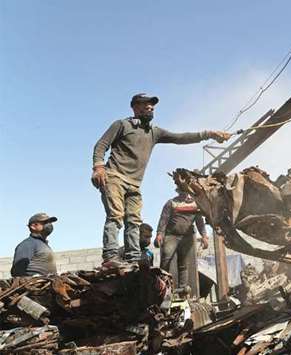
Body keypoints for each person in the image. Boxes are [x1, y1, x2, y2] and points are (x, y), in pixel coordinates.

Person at [92, 93, 231, 266]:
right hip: (114, 177)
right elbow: (101, 145)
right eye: (145, 104)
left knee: (134, 221)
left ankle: (133, 258)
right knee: (115, 216)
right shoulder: (122, 125)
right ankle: (111, 256)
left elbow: (181, 138)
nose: (150, 107)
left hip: (134, 184)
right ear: (135, 107)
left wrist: (208, 134)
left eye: (152, 105)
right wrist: (98, 167)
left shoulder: (154, 132)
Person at [156, 188, 209, 289]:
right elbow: (164, 219)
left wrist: (204, 236)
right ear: (179, 192)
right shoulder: (171, 203)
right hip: (172, 235)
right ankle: (162, 286)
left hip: (187, 237)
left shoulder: (195, 205)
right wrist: (159, 233)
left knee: (183, 263)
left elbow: (199, 222)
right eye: (183, 192)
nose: (185, 194)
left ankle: (182, 288)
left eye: (187, 192)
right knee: (166, 260)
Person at [11, 213, 58, 277]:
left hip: (47, 284)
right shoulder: (27, 244)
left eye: (50, 222)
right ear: (33, 226)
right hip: (36, 285)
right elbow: (17, 272)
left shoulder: (43, 244)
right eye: (46, 222)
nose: (49, 225)